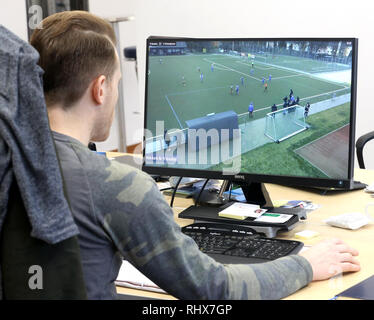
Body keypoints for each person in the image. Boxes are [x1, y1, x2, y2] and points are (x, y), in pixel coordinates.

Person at [31, 11, 360, 300]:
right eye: (118, 83)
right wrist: (305, 265)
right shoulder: (116, 186)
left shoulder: (14, 160)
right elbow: (216, 289)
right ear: (100, 89)